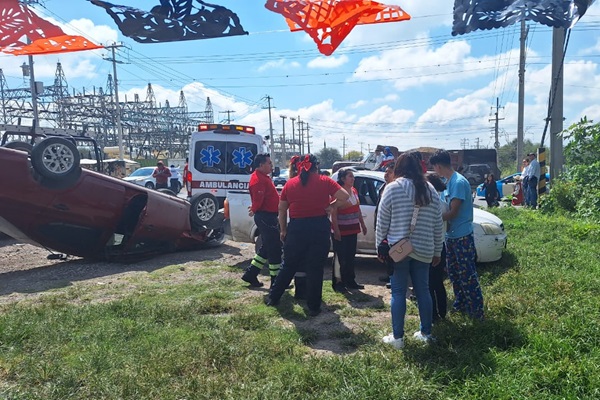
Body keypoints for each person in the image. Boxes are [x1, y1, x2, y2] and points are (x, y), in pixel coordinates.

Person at [266, 154, 349, 317]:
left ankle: (273, 297)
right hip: (319, 227)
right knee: (315, 268)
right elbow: (345, 196)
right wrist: (331, 206)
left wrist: (283, 230)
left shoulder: (290, 184)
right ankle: (313, 307)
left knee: (289, 265)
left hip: (297, 228)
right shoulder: (325, 181)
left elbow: (282, 209)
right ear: (317, 167)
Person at [376, 152, 443, 349]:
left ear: (399, 168)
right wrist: (438, 251)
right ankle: (426, 333)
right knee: (423, 291)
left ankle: (398, 338)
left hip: (398, 250)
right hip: (424, 249)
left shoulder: (392, 188)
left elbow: (382, 222)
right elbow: (438, 225)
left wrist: (380, 247)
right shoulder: (431, 190)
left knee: (398, 292)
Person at [430, 149, 484, 321]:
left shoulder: (458, 182)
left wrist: (432, 219)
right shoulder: (449, 182)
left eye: (434, 168)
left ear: (438, 166)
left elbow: (452, 212)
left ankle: (476, 311)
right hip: (451, 236)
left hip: (461, 236)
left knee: (467, 275)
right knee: (454, 274)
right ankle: (461, 304)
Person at [241, 154, 282, 288]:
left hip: (268, 216)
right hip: (266, 217)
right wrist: (254, 208)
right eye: (269, 163)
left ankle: (250, 274)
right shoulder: (258, 179)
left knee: (266, 248)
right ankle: (276, 281)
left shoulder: (263, 177)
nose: (271, 165)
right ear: (260, 165)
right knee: (275, 249)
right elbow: (258, 198)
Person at [330, 168, 368, 292]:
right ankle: (338, 282)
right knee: (340, 257)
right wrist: (336, 230)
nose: (353, 179)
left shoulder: (354, 191)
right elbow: (333, 213)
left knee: (350, 256)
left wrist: (362, 224)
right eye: (350, 176)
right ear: (342, 179)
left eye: (353, 176)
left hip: (352, 229)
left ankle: (350, 281)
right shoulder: (338, 192)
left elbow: (357, 209)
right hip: (341, 230)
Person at [426, 173, 448, 322]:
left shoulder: (430, 205)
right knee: (438, 283)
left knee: (429, 284)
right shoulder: (444, 205)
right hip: (442, 247)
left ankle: (433, 315)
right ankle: (442, 312)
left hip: (431, 247)